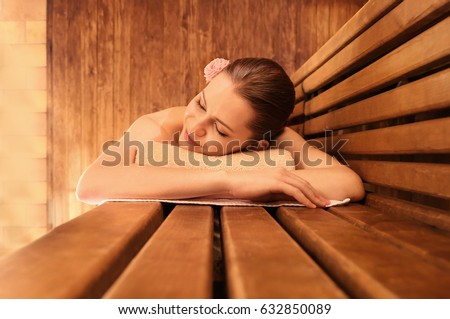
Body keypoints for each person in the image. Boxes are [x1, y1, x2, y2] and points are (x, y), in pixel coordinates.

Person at [76, 57, 365, 207]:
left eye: (221, 130)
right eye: (201, 103)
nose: (196, 126)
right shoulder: (159, 126)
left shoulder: (276, 140)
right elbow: (92, 184)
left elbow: (346, 182)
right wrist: (232, 177)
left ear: (258, 145)